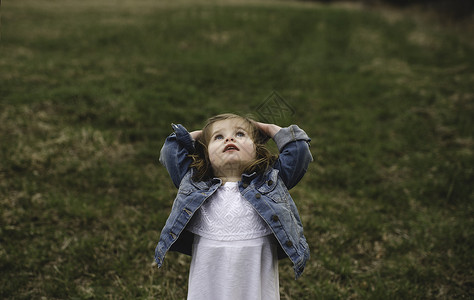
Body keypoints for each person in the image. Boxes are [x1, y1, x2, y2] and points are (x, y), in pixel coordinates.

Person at [155, 113, 312, 299]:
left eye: (240, 134)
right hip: (209, 277)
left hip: (254, 273)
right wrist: (200, 136)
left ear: (256, 149)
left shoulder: (271, 180)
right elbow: (171, 151)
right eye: (218, 137)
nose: (229, 138)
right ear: (205, 153)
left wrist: (268, 128)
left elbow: (299, 151)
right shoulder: (194, 182)